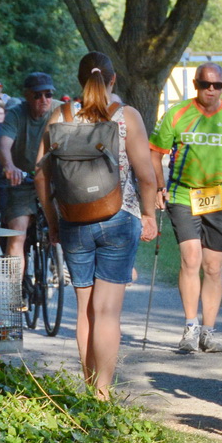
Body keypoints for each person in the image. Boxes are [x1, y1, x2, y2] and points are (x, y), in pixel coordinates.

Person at [35, 52, 161, 399]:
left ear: (78, 80)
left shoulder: (58, 115)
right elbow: (147, 176)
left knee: (85, 311)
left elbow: (41, 177)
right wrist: (149, 215)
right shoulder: (126, 117)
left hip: (74, 220)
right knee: (107, 312)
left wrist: (53, 221)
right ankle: (102, 394)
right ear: (113, 80)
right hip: (120, 217)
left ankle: (88, 389)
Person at [149, 60, 222, 355]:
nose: (211, 90)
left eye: (217, 85)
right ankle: (190, 328)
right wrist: (159, 188)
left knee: (212, 266)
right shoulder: (178, 114)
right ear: (196, 85)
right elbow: (155, 152)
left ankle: (208, 332)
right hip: (183, 195)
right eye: (205, 84)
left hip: (219, 199)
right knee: (191, 259)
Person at [0, 71, 58, 258]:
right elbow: (4, 144)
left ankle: (62, 267)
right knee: (17, 233)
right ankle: (15, 286)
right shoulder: (15, 114)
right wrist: (10, 166)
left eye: (49, 94)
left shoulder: (61, 111)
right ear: (27, 95)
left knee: (73, 223)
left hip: (54, 181)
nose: (44, 99)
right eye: (37, 95)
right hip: (24, 181)